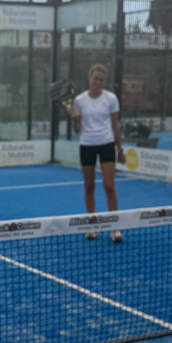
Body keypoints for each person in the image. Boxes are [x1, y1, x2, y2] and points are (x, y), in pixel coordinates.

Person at [66, 64, 124, 242]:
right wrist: (74, 118)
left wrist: (120, 149)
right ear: (89, 78)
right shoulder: (79, 100)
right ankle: (92, 225)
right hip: (87, 145)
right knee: (89, 186)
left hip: (106, 144)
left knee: (109, 185)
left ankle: (114, 227)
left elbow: (115, 126)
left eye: (101, 80)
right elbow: (77, 130)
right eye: (95, 79)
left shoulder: (111, 99)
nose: (97, 82)